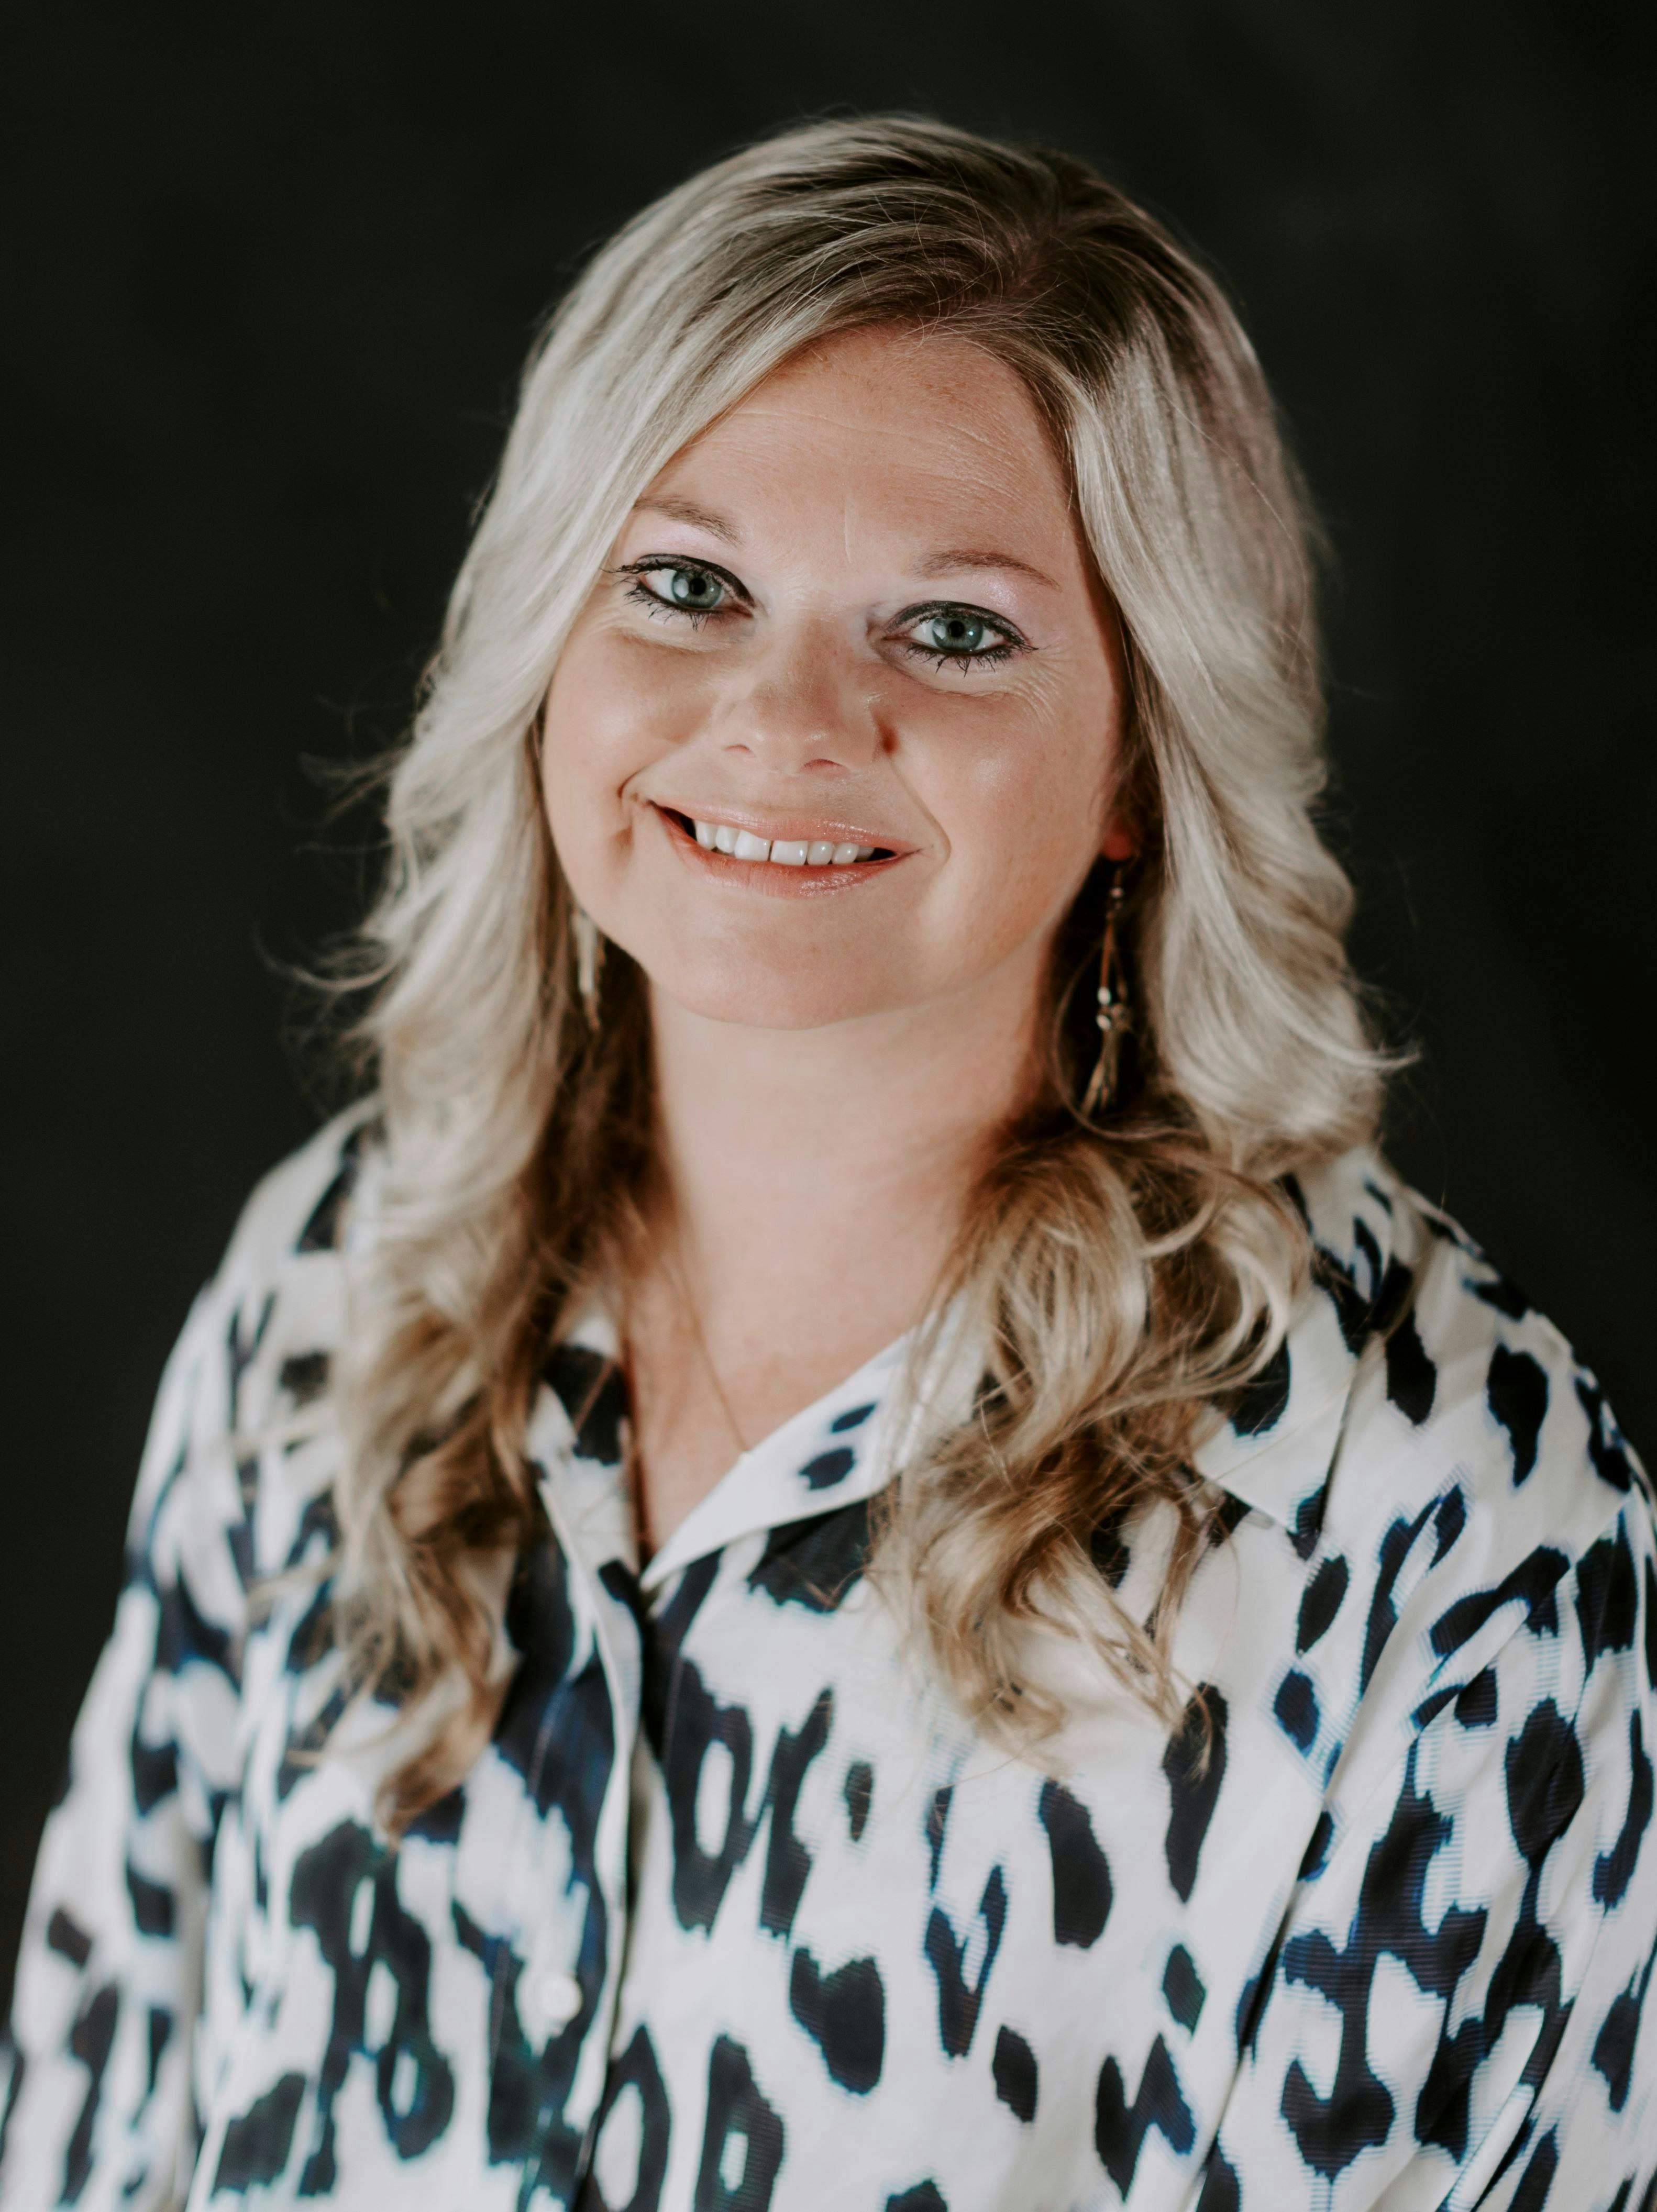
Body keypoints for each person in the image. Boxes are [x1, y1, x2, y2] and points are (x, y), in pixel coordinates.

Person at [2, 118, 1652, 2212]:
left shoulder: (1435, 1512)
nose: (781, 720)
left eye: (949, 631)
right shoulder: (337, 1282)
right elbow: (90, 2112)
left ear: (1142, 752)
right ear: (544, 648)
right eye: (683, 586)